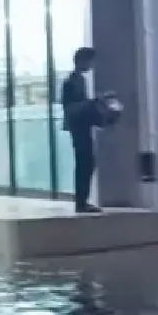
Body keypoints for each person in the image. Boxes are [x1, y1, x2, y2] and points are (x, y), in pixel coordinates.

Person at [61, 47, 115, 213]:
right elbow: (71, 107)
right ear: (81, 61)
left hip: (82, 125)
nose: (91, 65)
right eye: (89, 61)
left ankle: (82, 200)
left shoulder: (80, 81)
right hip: (78, 127)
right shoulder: (70, 82)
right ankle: (81, 202)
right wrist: (94, 101)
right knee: (84, 163)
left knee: (87, 163)